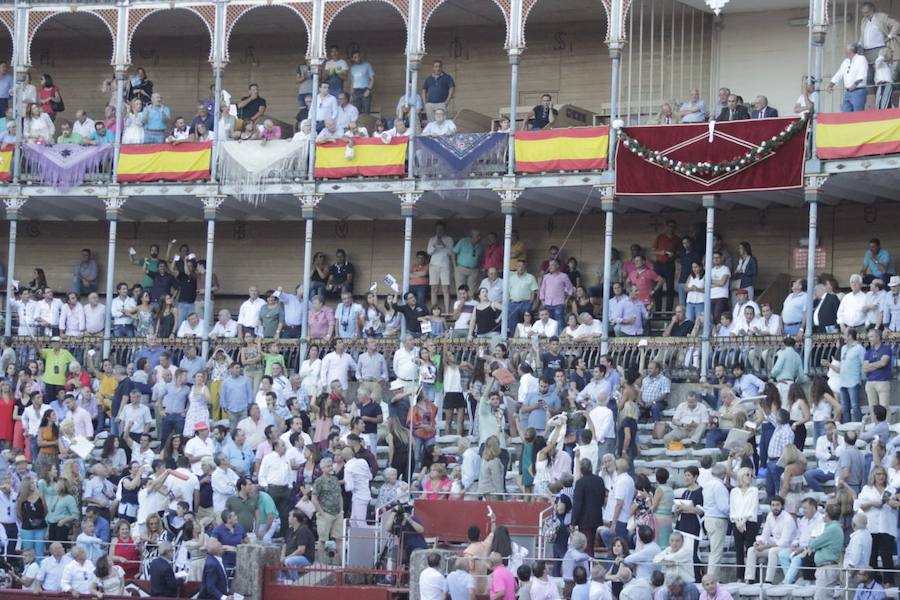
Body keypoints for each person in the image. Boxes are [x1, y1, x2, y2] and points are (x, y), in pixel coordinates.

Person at [828, 43, 870, 111]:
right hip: (847, 92)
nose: (844, 52)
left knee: (857, 115)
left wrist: (854, 84)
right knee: (845, 114)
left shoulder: (861, 58)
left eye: (846, 50)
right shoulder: (846, 61)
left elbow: (862, 74)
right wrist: (830, 85)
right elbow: (839, 74)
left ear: (850, 51)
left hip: (858, 91)